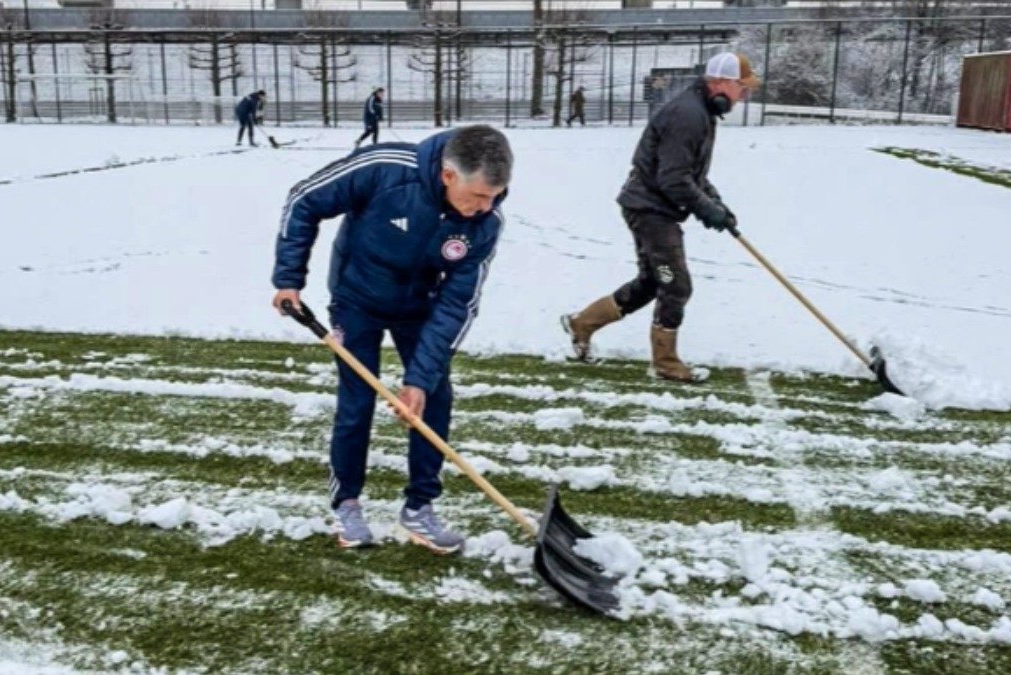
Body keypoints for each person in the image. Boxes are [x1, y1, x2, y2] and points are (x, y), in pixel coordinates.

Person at [271, 126, 513, 554]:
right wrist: (289, 279)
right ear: (447, 175)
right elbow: (303, 201)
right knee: (358, 399)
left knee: (433, 397)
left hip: (421, 307)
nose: (485, 207)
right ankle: (346, 502)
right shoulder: (385, 169)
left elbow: (458, 305)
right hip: (355, 300)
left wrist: (418, 380)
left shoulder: (484, 225)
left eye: (495, 195)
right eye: (478, 196)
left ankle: (419, 508)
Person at [561, 52, 760, 380]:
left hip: (655, 205)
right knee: (676, 285)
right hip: (650, 209)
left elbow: (689, 174)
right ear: (721, 84)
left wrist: (716, 203)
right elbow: (673, 179)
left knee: (653, 282)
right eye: (743, 86)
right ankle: (666, 363)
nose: (745, 94)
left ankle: (582, 323)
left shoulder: (703, 111)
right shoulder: (689, 115)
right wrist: (707, 210)